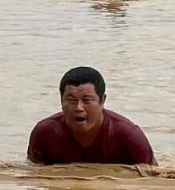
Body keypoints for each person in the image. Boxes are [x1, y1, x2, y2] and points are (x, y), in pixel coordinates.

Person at [27, 66, 157, 165]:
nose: (79, 108)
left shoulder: (128, 136)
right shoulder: (44, 133)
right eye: (71, 100)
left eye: (87, 100)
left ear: (102, 101)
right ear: (61, 101)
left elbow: (151, 182)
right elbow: (34, 177)